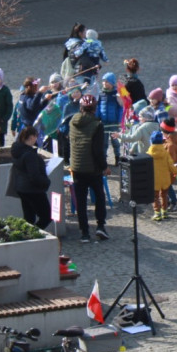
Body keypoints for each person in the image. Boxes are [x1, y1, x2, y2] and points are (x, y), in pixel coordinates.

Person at [69, 94, 110, 242]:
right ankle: (100, 226)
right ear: (94, 108)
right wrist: (104, 167)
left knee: (80, 201)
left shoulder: (72, 121)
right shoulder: (97, 125)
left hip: (77, 167)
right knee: (99, 197)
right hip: (93, 169)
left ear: (81, 107)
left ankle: (84, 233)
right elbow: (97, 151)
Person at [10, 127, 52, 230]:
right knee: (47, 216)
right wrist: (46, 182)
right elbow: (34, 176)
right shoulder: (30, 155)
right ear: (32, 137)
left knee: (29, 218)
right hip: (33, 190)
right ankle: (32, 235)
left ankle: (28, 235)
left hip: (22, 188)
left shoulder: (18, 150)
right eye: (36, 137)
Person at [146, 130, 177, 221]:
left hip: (154, 180)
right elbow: (171, 166)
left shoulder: (149, 154)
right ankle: (165, 212)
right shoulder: (165, 153)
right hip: (165, 179)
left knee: (155, 197)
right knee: (164, 195)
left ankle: (157, 213)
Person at [0, 68, 14, 147]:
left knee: (1, 137)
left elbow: (9, 105)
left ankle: (1, 150)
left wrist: (5, 118)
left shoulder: (5, 90)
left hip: (1, 119)